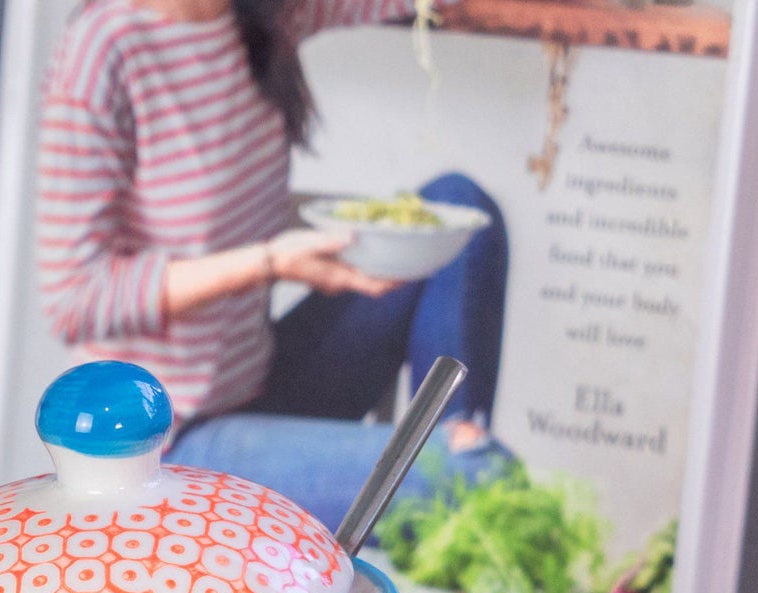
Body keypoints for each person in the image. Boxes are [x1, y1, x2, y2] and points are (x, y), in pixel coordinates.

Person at [36, 0, 512, 534]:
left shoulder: (265, 12)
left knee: (464, 209)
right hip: (169, 440)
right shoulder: (105, 47)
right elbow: (73, 296)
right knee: (480, 479)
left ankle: (454, 466)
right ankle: (455, 482)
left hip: (258, 382)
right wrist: (269, 262)